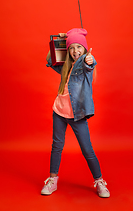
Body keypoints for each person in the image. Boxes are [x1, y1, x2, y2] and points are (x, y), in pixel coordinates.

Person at [41, 28, 110, 198]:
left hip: (76, 115)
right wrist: (63, 40)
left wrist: (89, 59)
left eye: (79, 47)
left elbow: (90, 64)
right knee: (57, 146)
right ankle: (52, 180)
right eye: (71, 48)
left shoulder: (85, 65)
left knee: (87, 149)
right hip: (59, 112)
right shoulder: (66, 66)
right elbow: (50, 59)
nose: (75, 51)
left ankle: (99, 181)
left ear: (85, 49)